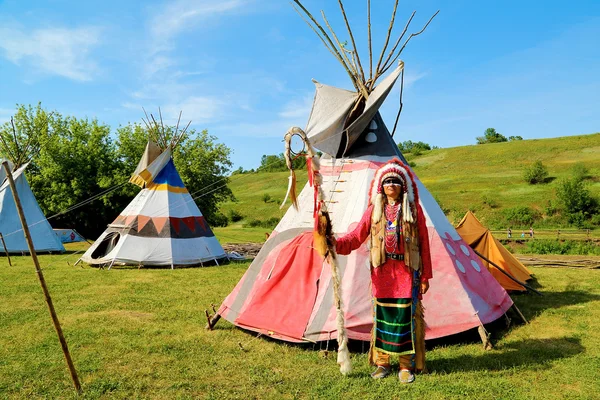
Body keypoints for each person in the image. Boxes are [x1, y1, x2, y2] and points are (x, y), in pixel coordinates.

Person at [332, 159, 432, 383]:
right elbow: (355, 237)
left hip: (408, 273)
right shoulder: (373, 212)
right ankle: (382, 363)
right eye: (387, 181)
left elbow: (424, 243)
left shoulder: (414, 212)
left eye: (396, 181)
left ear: (403, 187)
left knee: (406, 318)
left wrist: (425, 276)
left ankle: (406, 365)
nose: (391, 185)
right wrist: (334, 243)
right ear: (381, 187)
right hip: (382, 274)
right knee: (383, 319)